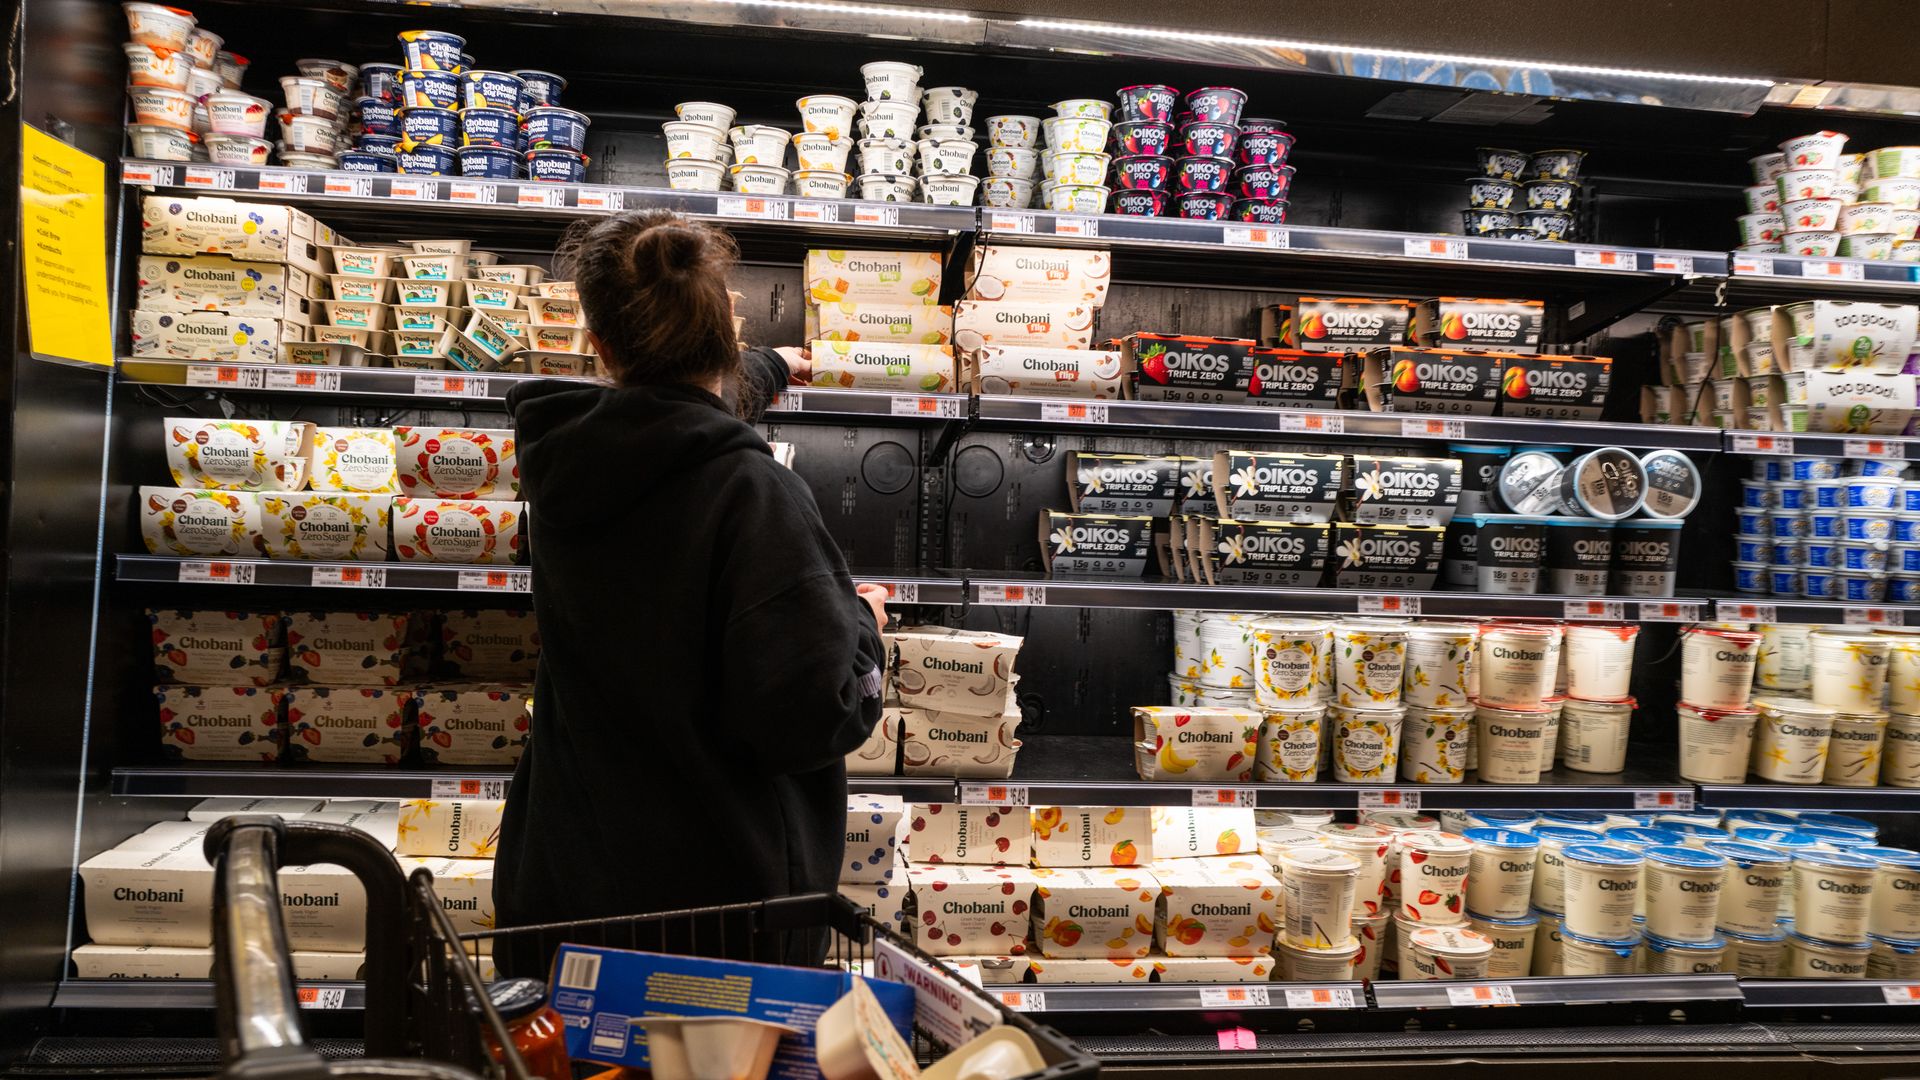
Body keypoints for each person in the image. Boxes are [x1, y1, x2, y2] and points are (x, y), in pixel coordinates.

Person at [492, 209, 889, 972]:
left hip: (567, 893)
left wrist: (765, 370)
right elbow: (813, 715)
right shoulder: (753, 494)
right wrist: (865, 629)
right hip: (713, 917)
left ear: (602, 347)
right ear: (721, 338)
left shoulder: (568, 472)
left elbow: (664, 423)